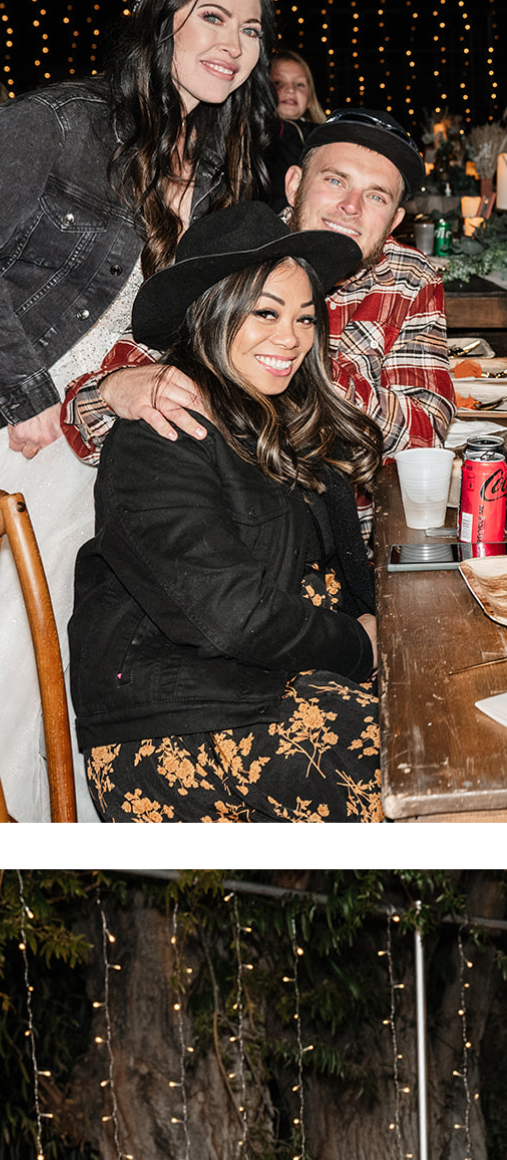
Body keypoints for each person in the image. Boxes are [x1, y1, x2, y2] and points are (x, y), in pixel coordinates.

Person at [1, 0, 290, 806]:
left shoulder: (212, 169)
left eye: (249, 30)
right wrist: (24, 395)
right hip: (22, 424)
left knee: (105, 642)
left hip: (101, 431)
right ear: (161, 20)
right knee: (33, 659)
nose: (232, 46)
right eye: (211, 17)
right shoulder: (58, 122)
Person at [71, 207, 383, 823]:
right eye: (266, 312)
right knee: (411, 766)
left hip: (267, 679)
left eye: (304, 317)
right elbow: (230, 616)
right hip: (176, 728)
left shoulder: (274, 412)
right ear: (213, 310)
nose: (291, 338)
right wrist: (359, 646)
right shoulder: (163, 431)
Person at [56, 112, 455, 471]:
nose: (351, 206)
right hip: (224, 515)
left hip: (350, 522)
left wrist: (307, 366)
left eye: (376, 196)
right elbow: (86, 419)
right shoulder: (238, 248)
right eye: (335, 180)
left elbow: (426, 437)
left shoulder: (407, 275)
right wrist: (115, 389)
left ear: (396, 219)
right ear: (295, 184)